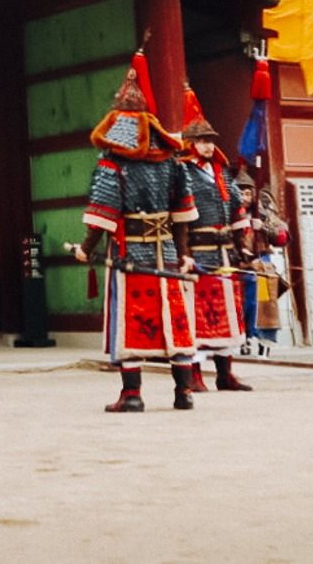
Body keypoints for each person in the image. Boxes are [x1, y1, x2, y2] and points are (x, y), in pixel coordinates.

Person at [68, 50, 198, 413]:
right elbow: (183, 214)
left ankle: (132, 394)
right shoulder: (171, 161)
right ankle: (182, 393)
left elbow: (101, 216)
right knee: (175, 318)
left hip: (131, 255)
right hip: (168, 252)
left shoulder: (112, 162)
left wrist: (84, 248)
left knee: (132, 319)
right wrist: (184, 253)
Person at [177, 94, 252, 392]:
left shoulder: (221, 172)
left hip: (225, 255)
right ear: (190, 142)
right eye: (202, 140)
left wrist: (242, 244)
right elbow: (179, 217)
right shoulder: (181, 171)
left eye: (210, 140)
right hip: (198, 252)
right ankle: (194, 373)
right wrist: (182, 254)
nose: (208, 145)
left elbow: (237, 209)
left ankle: (225, 374)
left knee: (228, 313)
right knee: (196, 314)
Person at [232, 162, 289, 358]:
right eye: (241, 193)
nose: (244, 198)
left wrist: (263, 227)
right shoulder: (229, 213)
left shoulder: (263, 212)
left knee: (265, 306)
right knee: (243, 305)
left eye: (248, 193)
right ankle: (245, 339)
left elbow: (282, 236)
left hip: (263, 265)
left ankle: (265, 344)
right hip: (240, 266)